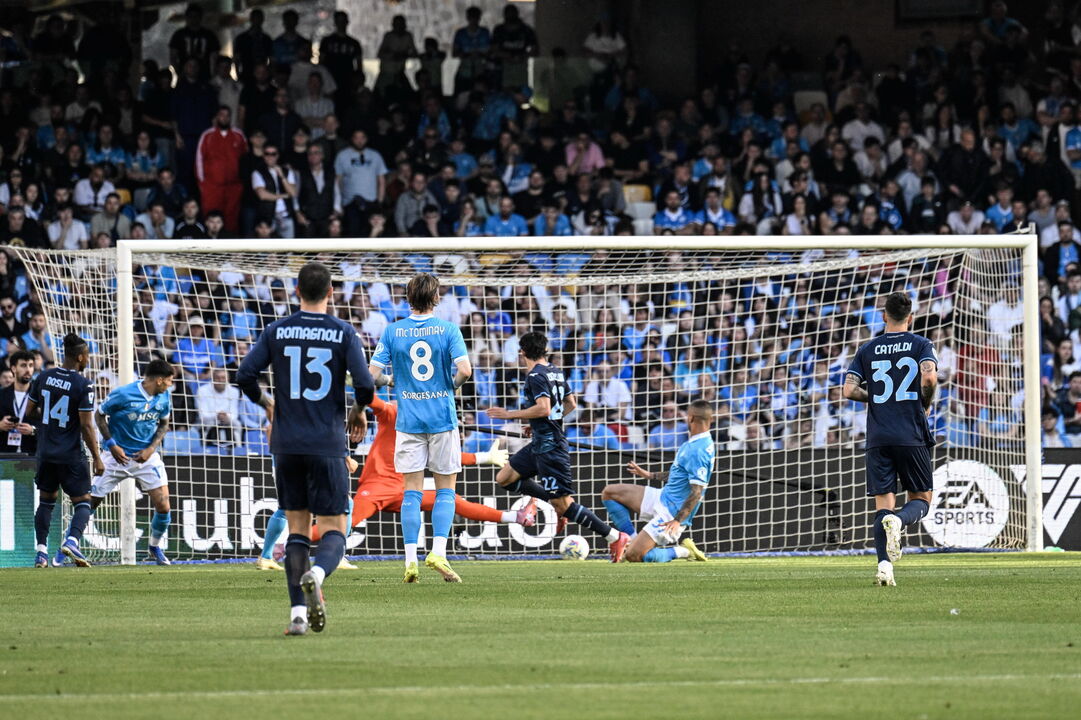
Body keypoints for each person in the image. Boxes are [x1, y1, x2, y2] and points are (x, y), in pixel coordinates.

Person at [237, 262, 374, 636]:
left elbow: (245, 375)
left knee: (297, 530)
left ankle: (297, 615)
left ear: (297, 292)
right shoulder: (344, 333)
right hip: (326, 443)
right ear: (331, 292)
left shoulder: (277, 330)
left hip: (286, 443)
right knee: (334, 530)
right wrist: (358, 411)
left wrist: (268, 406)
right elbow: (365, 386)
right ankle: (317, 573)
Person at [258, 395, 535, 569]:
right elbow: (370, 398)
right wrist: (361, 405)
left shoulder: (425, 423)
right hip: (376, 486)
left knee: (453, 500)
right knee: (344, 523)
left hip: (405, 489)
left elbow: (444, 456)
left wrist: (484, 457)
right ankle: (289, 543)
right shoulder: (393, 411)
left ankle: (517, 516)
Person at [486, 331, 631, 562]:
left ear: (522, 352)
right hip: (539, 443)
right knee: (505, 478)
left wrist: (509, 414)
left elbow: (543, 408)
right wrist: (541, 424)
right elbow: (571, 404)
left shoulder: (534, 376)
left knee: (564, 504)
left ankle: (614, 536)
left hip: (551, 449)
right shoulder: (555, 371)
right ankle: (554, 505)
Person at [369, 273, 472, 583]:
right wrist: (449, 388)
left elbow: (372, 374)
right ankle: (438, 551)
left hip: (409, 420)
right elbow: (465, 370)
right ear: (436, 297)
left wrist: (392, 382)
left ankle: (410, 560)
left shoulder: (393, 331)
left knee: (411, 492)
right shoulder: (448, 329)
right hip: (441, 417)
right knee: (445, 490)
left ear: (408, 298)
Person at [842, 292, 937, 587]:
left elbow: (848, 391)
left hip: (878, 435)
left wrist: (876, 398)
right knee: (921, 499)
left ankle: (884, 566)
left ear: (884, 316)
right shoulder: (921, 344)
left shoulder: (867, 349)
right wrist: (925, 403)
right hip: (910, 432)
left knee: (883, 503)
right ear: (910, 318)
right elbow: (930, 378)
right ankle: (900, 521)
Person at [25, 334, 105, 568]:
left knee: (47, 502)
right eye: (88, 355)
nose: (88, 359)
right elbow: (86, 425)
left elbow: (29, 410)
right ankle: (71, 541)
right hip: (70, 453)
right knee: (83, 502)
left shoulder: (44, 377)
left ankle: (41, 552)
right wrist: (98, 457)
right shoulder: (84, 384)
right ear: (81, 357)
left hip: (46, 452)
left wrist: (49, 423)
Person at [601, 400, 714, 563]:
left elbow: (696, 492)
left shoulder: (699, 450)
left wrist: (677, 520)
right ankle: (631, 539)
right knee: (610, 493)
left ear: (690, 418)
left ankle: (682, 551)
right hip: (663, 496)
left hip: (671, 512)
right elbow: (679, 475)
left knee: (634, 556)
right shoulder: (694, 442)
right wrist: (650, 475)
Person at [92, 359, 175, 566]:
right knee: (89, 502)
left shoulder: (164, 396)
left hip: (145, 458)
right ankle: (69, 543)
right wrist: (111, 445)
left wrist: (151, 449)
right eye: (169, 381)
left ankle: (154, 547)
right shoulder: (123, 394)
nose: (170, 385)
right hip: (115, 456)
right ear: (158, 380)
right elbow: (99, 415)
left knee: (164, 506)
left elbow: (164, 423)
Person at [0, 350, 38, 455]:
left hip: (32, 454)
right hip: (4, 454)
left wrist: (33, 430)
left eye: (31, 365)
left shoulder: (40, 396)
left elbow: (50, 427)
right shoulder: (2, 395)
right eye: (23, 365)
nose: (28, 370)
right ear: (13, 368)